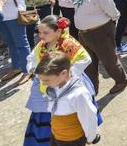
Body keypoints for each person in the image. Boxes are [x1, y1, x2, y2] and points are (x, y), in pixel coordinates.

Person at [23, 16, 96, 146]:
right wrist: (33, 69)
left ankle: (82, 133)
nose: (41, 36)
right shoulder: (42, 45)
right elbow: (31, 58)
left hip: (67, 84)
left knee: (76, 111)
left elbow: (85, 59)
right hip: (46, 84)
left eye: (45, 32)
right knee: (50, 113)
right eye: (39, 32)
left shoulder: (69, 44)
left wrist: (68, 74)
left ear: (57, 31)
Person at [70, 0, 127, 94]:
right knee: (88, 63)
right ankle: (92, 88)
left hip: (100, 32)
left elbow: (113, 13)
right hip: (84, 34)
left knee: (109, 60)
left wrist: (108, 28)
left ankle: (121, 80)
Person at [34, 52, 100, 146]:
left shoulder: (78, 94)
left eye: (46, 80)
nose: (44, 84)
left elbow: (89, 118)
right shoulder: (54, 86)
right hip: (56, 135)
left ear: (63, 73)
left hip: (72, 140)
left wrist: (91, 137)